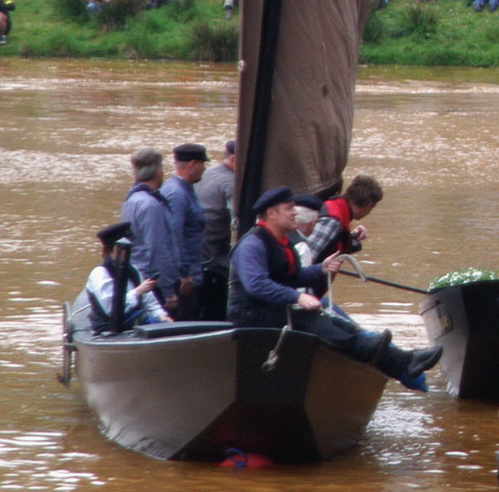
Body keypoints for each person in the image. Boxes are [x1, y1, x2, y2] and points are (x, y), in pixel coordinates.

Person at [230, 186, 441, 385]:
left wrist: (321, 268)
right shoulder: (253, 245)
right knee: (315, 322)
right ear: (272, 213)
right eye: (289, 209)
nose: (295, 213)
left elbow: (292, 276)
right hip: (252, 314)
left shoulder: (280, 241)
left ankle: (407, 360)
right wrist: (297, 297)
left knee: (340, 325)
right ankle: (388, 357)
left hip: (271, 309)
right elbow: (256, 285)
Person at [77, 221, 169, 334]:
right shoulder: (99, 274)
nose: (131, 250)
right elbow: (111, 309)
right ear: (117, 248)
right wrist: (138, 291)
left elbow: (150, 303)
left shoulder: (133, 270)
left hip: (135, 325)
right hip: (108, 330)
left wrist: (162, 316)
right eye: (128, 247)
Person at [120, 147, 180, 303]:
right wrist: (167, 291)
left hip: (138, 279)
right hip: (153, 286)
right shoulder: (151, 205)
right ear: (158, 170)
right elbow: (157, 248)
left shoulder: (131, 199)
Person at [159, 143, 208, 320]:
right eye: (203, 164)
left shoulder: (184, 189)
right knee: (183, 321)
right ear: (193, 164)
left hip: (189, 271)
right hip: (181, 279)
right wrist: (184, 273)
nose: (204, 169)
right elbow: (174, 235)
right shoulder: (177, 193)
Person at [194, 139, 236, 321]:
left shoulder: (208, 173)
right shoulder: (232, 183)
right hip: (216, 263)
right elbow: (239, 224)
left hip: (198, 257)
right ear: (234, 160)